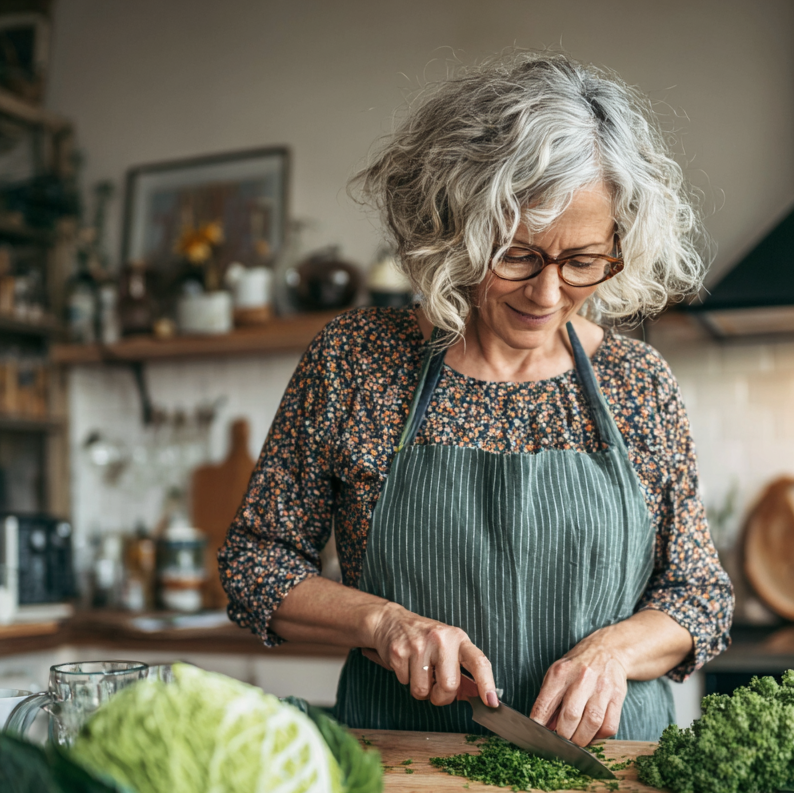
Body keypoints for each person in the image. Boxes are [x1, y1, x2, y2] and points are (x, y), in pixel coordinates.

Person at [219, 52, 733, 745]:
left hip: (614, 779)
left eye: (582, 261)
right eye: (516, 255)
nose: (547, 294)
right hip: (405, 770)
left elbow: (698, 596)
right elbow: (258, 565)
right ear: (455, 229)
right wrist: (385, 623)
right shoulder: (358, 362)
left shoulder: (637, 382)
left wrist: (616, 653)